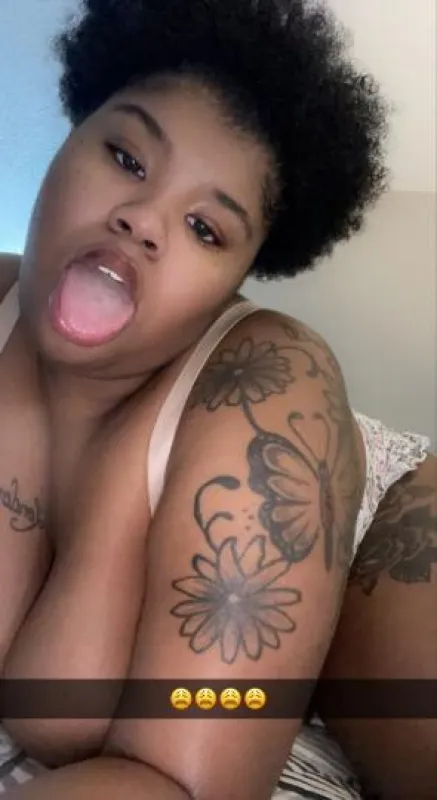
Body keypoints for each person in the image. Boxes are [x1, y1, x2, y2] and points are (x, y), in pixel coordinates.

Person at [0, 0, 435, 798]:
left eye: (206, 228)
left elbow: (180, 784)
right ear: (66, 139)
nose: (142, 221)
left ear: (236, 278)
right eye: (126, 158)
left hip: (380, 533)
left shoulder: (269, 379)